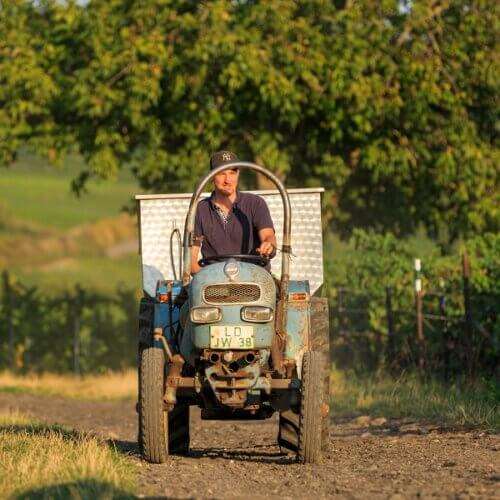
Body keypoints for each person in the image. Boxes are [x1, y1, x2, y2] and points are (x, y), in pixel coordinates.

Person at [191, 151, 277, 274]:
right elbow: (191, 257)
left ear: (238, 174)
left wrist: (269, 245)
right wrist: (204, 277)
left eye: (232, 172)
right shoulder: (200, 209)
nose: (228, 180)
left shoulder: (256, 203)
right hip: (214, 280)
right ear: (211, 177)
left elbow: (268, 236)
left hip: (253, 277)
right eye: (221, 174)